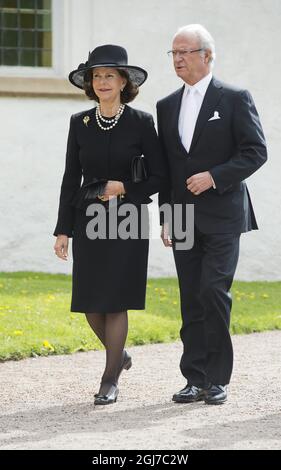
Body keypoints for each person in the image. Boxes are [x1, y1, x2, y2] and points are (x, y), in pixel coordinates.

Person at [157, 24, 267, 405]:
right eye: (173, 53)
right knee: (190, 296)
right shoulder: (166, 105)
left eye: (185, 51)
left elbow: (255, 151)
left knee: (213, 291)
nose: (178, 59)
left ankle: (218, 378)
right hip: (183, 216)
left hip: (224, 214)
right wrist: (166, 216)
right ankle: (195, 377)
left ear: (207, 55)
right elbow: (169, 168)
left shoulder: (235, 98)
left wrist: (215, 177)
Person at [53, 44, 165, 405]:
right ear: (91, 83)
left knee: (116, 302)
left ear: (123, 82)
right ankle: (120, 355)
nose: (102, 81)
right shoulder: (79, 123)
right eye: (96, 76)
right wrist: (62, 229)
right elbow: (71, 178)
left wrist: (125, 187)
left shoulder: (142, 122)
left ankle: (109, 378)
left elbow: (160, 177)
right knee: (89, 302)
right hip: (89, 220)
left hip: (127, 217)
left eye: (109, 76)